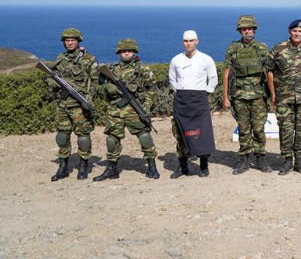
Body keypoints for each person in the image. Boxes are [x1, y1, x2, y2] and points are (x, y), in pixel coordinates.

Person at [93, 39, 159, 181]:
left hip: (135, 109)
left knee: (144, 137)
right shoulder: (111, 69)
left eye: (129, 50)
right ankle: (112, 169)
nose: (126, 53)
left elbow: (152, 89)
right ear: (119, 52)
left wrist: (147, 106)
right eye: (123, 51)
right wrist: (107, 88)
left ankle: (152, 166)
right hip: (115, 110)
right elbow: (98, 88)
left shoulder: (143, 69)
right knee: (112, 139)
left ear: (134, 51)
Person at [267, 19, 301, 175]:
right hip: (284, 98)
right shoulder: (279, 49)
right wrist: (273, 93)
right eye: (294, 31)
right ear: (289, 32)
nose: (297, 33)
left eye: (300, 31)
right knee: (285, 128)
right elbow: (269, 71)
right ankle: (286, 160)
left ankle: (299, 160)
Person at [46, 28, 98, 181]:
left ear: (78, 42)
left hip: (79, 105)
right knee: (62, 136)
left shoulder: (88, 59)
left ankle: (83, 166)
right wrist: (51, 82)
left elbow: (95, 82)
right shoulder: (60, 58)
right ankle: (63, 168)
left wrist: (88, 98)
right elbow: (50, 76)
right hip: (62, 104)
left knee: (83, 137)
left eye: (72, 40)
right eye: (67, 41)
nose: (69, 43)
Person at [223, 15, 272, 174]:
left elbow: (269, 72)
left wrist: (272, 95)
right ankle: (244, 159)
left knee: (258, 129)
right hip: (239, 95)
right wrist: (225, 96)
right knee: (243, 129)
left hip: (258, 95)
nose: (247, 31)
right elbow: (227, 73)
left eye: (249, 28)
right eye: (244, 29)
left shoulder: (262, 48)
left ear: (254, 29)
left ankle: (260, 158)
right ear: (240, 30)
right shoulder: (233, 48)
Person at [168, 30, 218, 178]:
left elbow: (213, 78)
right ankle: (183, 167)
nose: (188, 43)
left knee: (202, 133)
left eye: (191, 40)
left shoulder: (206, 59)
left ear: (197, 41)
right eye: (186, 41)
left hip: (199, 100)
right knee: (180, 133)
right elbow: (172, 79)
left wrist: (206, 92)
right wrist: (182, 93)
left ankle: (203, 166)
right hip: (181, 100)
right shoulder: (176, 60)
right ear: (182, 42)